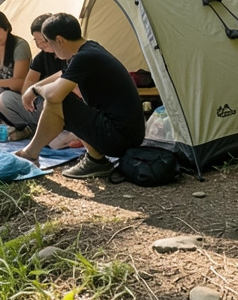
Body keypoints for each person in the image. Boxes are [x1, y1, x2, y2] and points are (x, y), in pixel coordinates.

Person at [13, 13, 145, 178]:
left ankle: (31, 154)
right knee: (62, 98)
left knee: (60, 100)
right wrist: (35, 88)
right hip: (126, 133)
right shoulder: (89, 49)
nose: (51, 51)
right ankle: (93, 159)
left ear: (60, 40)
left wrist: (36, 90)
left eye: (51, 44)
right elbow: (63, 76)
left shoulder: (85, 57)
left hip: (119, 138)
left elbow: (54, 95)